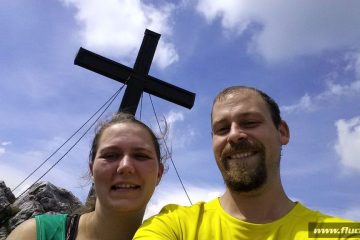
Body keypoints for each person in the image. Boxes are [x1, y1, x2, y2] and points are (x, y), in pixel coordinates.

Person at [134, 86, 357, 239]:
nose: (234, 135)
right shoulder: (175, 226)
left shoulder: (338, 233)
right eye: (222, 129)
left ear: (282, 132)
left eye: (249, 122)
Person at [7, 112, 165, 240]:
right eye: (110, 155)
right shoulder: (34, 235)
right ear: (92, 171)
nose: (125, 166)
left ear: (159, 173)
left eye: (141, 156)